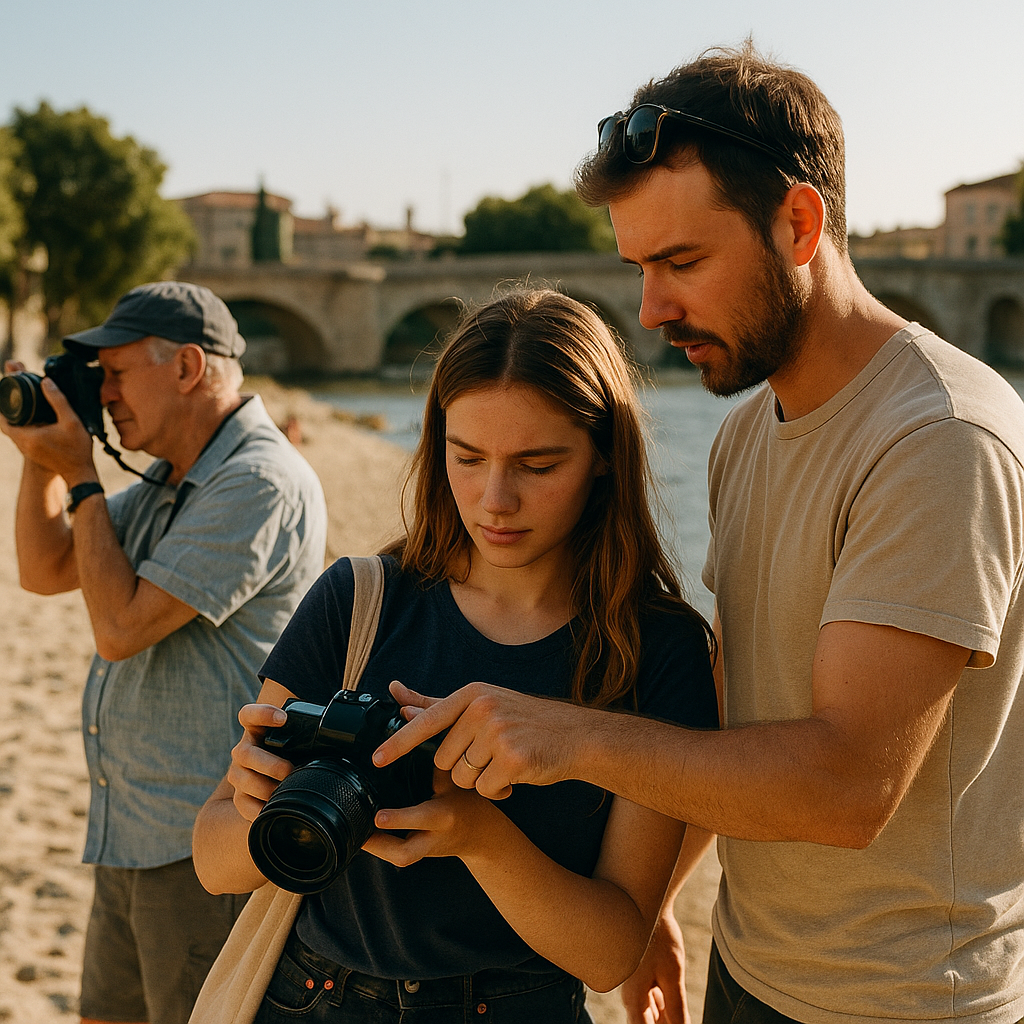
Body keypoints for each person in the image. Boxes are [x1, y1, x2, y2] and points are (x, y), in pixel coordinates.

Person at [373, 45, 1024, 1024]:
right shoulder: (744, 434)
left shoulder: (937, 439)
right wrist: (661, 895)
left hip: (906, 1003)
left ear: (799, 223)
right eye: (638, 266)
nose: (649, 309)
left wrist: (568, 737)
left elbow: (847, 785)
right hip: (752, 968)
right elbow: (744, 691)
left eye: (681, 262)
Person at [192, 287, 720, 1023]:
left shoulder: (655, 649)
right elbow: (214, 863)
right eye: (466, 457)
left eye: (538, 465)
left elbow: (609, 954)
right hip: (306, 999)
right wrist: (258, 811)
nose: (494, 499)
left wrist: (480, 837)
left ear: (605, 456)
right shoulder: (360, 600)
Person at [1, 281, 328, 1024]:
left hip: (201, 844)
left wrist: (80, 473)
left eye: (115, 374)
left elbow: (118, 627)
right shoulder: (167, 476)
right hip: (130, 829)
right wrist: (40, 457)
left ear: (186, 367)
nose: (104, 394)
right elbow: (44, 567)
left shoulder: (258, 481)